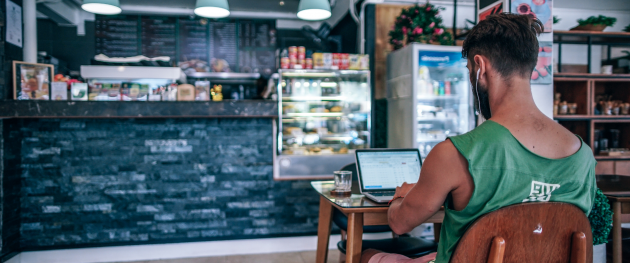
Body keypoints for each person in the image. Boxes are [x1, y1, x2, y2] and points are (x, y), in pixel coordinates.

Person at [362, 13, 597, 263]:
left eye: (469, 70)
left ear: (480, 67)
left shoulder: (455, 153)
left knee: (368, 256)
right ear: (531, 66)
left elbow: (400, 224)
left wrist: (401, 196)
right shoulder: (583, 156)